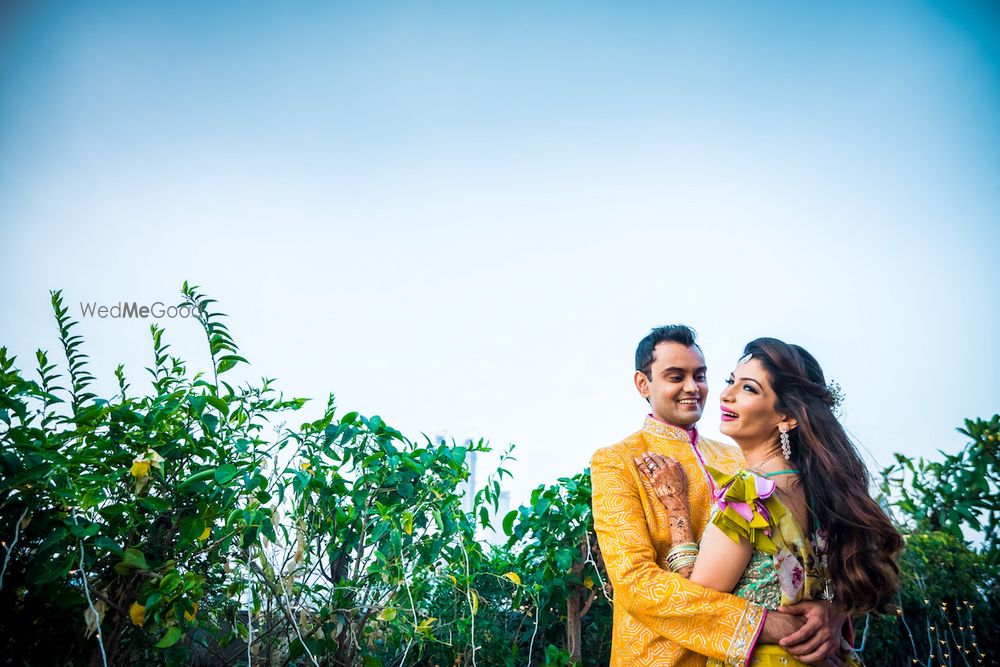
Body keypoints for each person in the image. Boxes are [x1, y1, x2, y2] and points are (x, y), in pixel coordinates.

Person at [591, 326, 850, 667]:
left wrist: (833, 609)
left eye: (699, 375)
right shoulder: (618, 461)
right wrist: (761, 623)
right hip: (662, 656)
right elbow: (634, 582)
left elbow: (821, 551)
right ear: (643, 384)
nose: (692, 387)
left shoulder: (743, 459)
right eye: (675, 376)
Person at [636, 338, 903, 666]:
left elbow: (697, 599)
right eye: (730, 381)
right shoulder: (818, 488)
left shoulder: (750, 494)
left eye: (748, 389)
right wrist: (833, 610)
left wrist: (677, 514)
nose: (725, 395)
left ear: (787, 417)